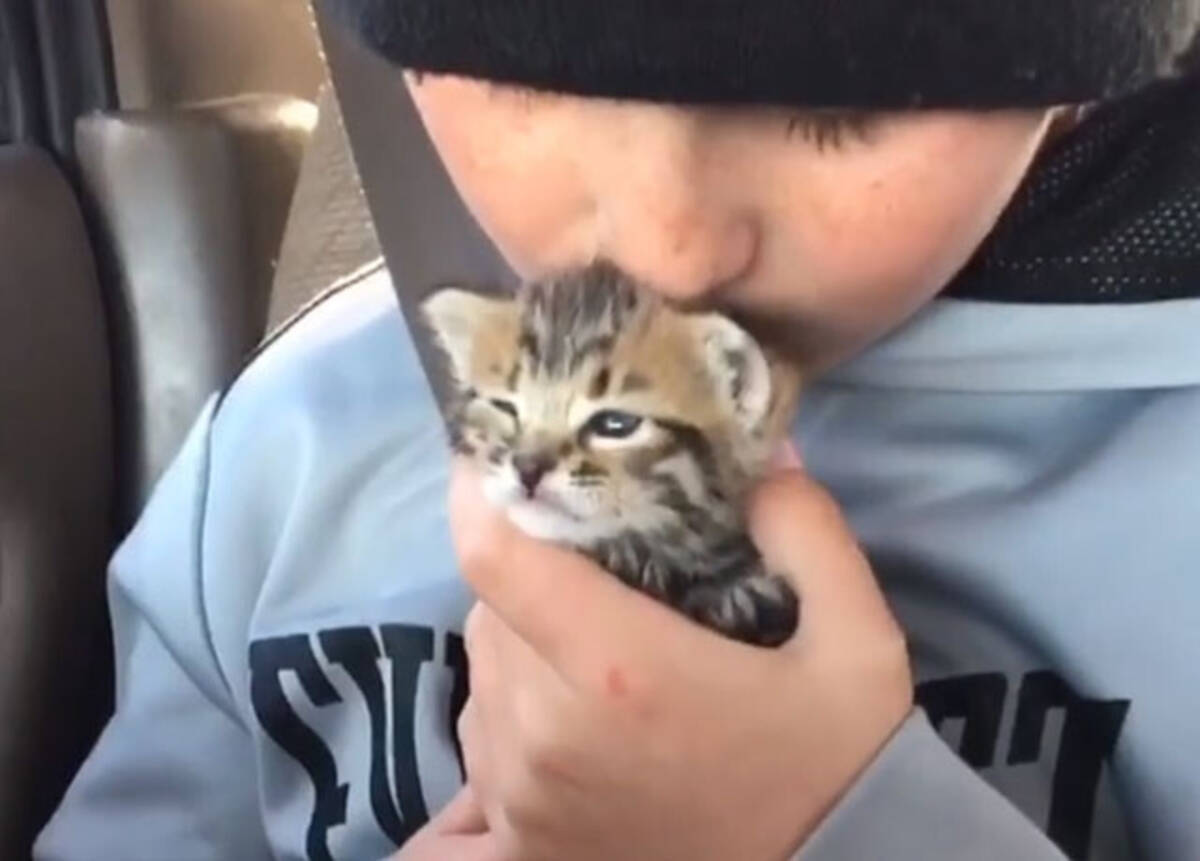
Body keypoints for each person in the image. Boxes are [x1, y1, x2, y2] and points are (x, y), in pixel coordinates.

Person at [36, 2, 1200, 859]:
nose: (662, 249)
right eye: (522, 62)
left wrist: (846, 833)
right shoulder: (284, 454)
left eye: (845, 102)